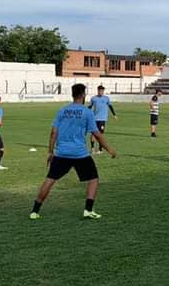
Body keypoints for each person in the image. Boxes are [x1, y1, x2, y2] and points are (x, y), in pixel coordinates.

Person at [30, 83, 117, 220]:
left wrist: (50, 152)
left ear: (72, 94)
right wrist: (110, 149)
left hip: (61, 153)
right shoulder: (87, 112)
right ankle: (88, 210)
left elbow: (53, 132)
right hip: (80, 154)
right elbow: (97, 134)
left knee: (50, 180)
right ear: (83, 95)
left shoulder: (62, 110)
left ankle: (35, 211)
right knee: (93, 179)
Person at [88, 85, 117, 153]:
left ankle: (100, 149)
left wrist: (114, 115)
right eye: (100, 91)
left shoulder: (106, 98)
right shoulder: (93, 98)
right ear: (97, 90)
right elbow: (89, 107)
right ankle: (92, 149)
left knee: (101, 134)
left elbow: (110, 106)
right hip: (94, 119)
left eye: (102, 91)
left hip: (102, 119)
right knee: (93, 134)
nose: (101, 92)